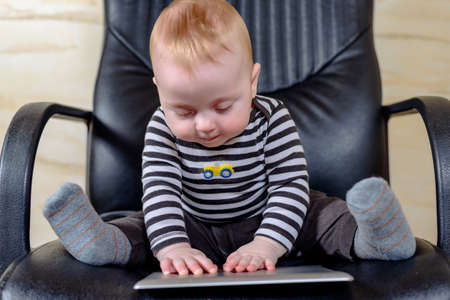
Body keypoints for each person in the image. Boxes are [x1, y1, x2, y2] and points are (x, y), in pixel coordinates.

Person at [43, 0, 416, 276]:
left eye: (223, 107)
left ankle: (376, 239)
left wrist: (267, 243)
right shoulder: (161, 128)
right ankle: (103, 243)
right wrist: (174, 247)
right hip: (194, 226)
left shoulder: (272, 118)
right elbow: (162, 191)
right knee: (142, 225)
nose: (205, 125)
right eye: (185, 111)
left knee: (323, 215)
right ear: (159, 93)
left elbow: (289, 186)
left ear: (252, 83)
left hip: (270, 215)